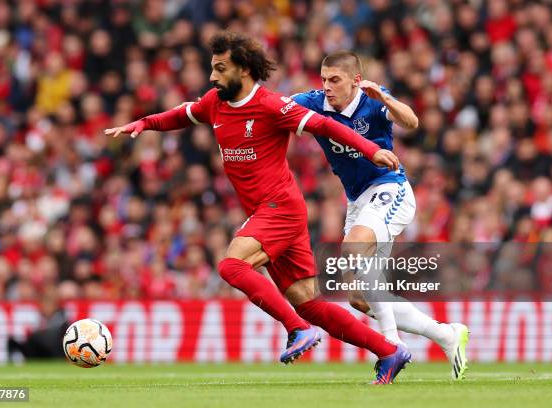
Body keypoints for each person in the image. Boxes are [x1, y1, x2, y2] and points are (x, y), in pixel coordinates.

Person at [105, 32, 410, 384]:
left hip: (279, 207)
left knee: (232, 265)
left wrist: (370, 149)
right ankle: (389, 351)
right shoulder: (214, 102)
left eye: (220, 69)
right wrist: (145, 123)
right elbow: (182, 114)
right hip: (272, 212)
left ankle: (297, 329)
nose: (212, 77)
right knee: (308, 301)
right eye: (212, 69)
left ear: (244, 70)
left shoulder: (271, 106)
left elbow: (325, 125)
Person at [292, 50, 469, 380]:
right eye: (324, 79)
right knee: (360, 297)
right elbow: (274, 107)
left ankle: (392, 345)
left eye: (335, 79)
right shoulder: (313, 102)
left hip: (391, 188)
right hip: (358, 201)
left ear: (355, 81)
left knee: (353, 251)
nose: (327, 86)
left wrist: (385, 98)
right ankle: (447, 335)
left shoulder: (373, 101)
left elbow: (412, 122)